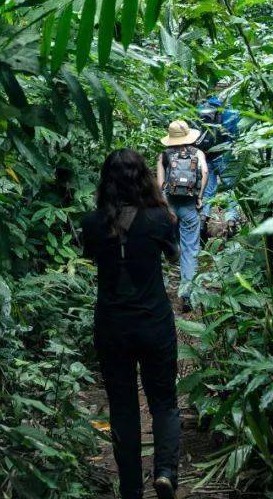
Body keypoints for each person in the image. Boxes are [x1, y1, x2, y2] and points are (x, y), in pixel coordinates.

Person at [81, 149, 182, 499]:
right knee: (164, 401)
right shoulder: (161, 219)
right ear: (144, 178)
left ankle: (130, 489)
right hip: (154, 322)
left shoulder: (92, 223)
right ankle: (166, 472)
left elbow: (92, 254)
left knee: (122, 405)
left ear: (106, 181)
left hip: (112, 325)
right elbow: (172, 255)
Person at [155, 119, 208, 313]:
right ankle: (187, 294)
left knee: (170, 245)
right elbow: (205, 172)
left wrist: (164, 204)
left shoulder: (163, 155)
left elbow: (160, 184)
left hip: (169, 206)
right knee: (191, 248)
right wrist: (199, 197)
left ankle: (164, 285)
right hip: (188, 206)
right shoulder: (198, 153)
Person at [196, 92, 241, 225]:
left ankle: (203, 217)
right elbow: (235, 135)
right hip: (224, 155)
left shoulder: (201, 110)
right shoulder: (229, 113)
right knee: (229, 188)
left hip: (207, 156)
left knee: (208, 189)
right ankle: (231, 220)